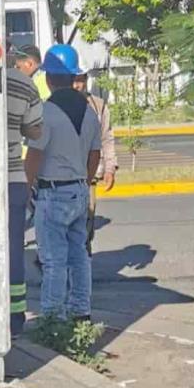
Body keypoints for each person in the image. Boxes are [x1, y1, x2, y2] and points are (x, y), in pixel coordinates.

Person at [25, 45, 102, 322]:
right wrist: (85, 178)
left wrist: (26, 187)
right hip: (79, 190)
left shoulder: (47, 113)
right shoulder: (90, 112)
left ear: (48, 79)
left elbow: (34, 154)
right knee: (79, 255)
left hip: (53, 193)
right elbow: (96, 154)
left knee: (54, 260)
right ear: (73, 78)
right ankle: (81, 309)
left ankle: (53, 316)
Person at [6, 49, 44, 335]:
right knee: (13, 250)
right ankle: (15, 316)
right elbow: (35, 132)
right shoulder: (25, 85)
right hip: (12, 178)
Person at [73, 73, 117, 256]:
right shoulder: (56, 105)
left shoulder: (98, 106)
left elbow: (106, 138)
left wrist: (110, 168)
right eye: (74, 80)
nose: (77, 85)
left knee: (87, 223)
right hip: (64, 176)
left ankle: (83, 263)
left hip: (89, 176)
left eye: (81, 80)